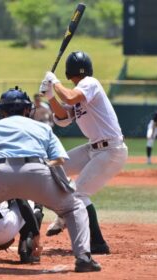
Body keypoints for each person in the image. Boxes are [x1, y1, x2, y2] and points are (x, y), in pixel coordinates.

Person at [0, 86, 100, 272]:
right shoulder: (42, 127)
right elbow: (60, 159)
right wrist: (44, 168)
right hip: (38, 172)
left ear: (1, 111)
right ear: (27, 109)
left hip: (2, 173)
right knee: (75, 208)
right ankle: (83, 258)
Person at [39, 51, 128, 255]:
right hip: (93, 148)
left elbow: (70, 97)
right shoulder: (80, 92)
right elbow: (62, 116)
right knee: (53, 169)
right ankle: (63, 216)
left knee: (79, 194)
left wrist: (55, 82)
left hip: (111, 150)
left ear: (69, 72)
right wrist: (51, 96)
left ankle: (98, 244)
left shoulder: (90, 83)